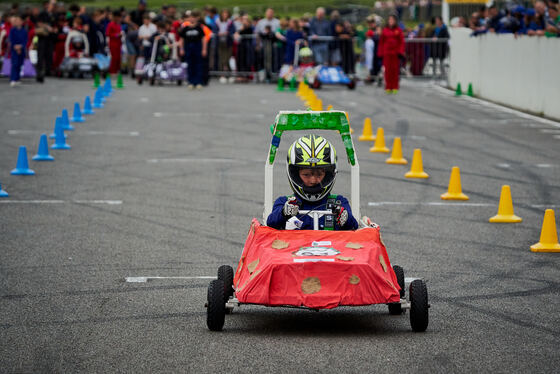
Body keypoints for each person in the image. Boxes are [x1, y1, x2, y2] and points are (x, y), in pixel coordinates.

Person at [267, 135, 358, 231]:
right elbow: (270, 223)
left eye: (319, 174)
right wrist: (283, 213)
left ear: (328, 175)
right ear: (295, 174)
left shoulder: (339, 202)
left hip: (331, 245)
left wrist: (344, 217)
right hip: (295, 245)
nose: (313, 180)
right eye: (306, 175)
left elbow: (353, 227)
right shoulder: (284, 202)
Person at [178, 10, 208, 89]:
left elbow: (204, 39)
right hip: (188, 48)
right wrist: (181, 49)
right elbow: (181, 40)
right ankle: (191, 82)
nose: (191, 19)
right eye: (190, 18)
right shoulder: (185, 28)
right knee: (190, 65)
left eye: (193, 18)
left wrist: (204, 49)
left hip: (197, 47)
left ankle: (198, 82)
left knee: (198, 65)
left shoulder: (199, 28)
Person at [378, 14, 404, 94]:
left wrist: (400, 51)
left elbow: (401, 42)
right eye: (390, 20)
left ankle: (395, 86)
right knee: (387, 71)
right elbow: (381, 42)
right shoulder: (385, 30)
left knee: (395, 70)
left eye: (392, 20)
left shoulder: (398, 30)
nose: (391, 21)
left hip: (395, 54)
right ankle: (388, 86)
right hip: (387, 53)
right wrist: (380, 53)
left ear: (395, 21)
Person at [9, 14, 28, 87]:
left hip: (22, 49)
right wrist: (16, 46)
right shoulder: (13, 30)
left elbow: (25, 40)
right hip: (14, 49)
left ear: (22, 22)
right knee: (14, 64)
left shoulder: (24, 31)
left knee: (20, 64)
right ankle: (13, 79)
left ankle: (17, 78)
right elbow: (11, 39)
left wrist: (21, 46)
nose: (17, 22)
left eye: (18, 21)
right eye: (16, 21)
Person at [106, 10, 123, 74]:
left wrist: (120, 35)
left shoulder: (118, 25)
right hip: (113, 43)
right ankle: (112, 71)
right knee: (114, 58)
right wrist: (116, 35)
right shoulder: (110, 24)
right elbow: (107, 33)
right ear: (115, 17)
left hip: (118, 43)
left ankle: (116, 70)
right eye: (118, 17)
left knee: (118, 58)